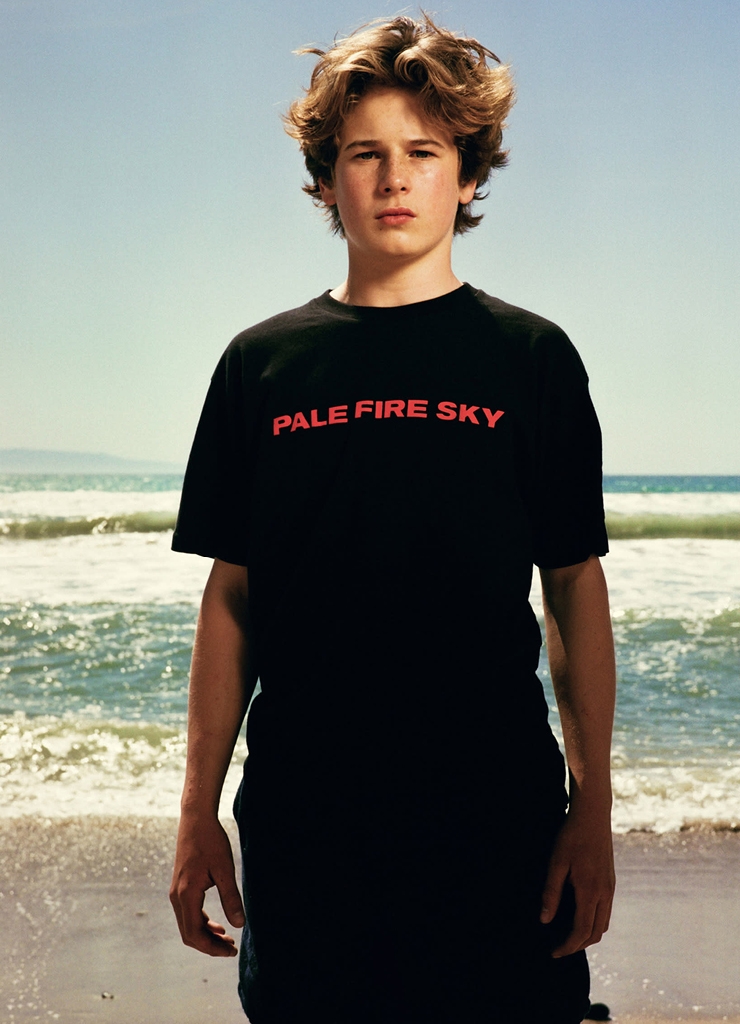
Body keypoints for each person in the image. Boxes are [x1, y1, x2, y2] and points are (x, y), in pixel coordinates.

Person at [169, 14, 616, 1024]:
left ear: (468, 177)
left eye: (424, 153)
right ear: (328, 181)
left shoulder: (532, 360)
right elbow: (229, 600)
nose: (395, 178)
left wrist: (592, 812)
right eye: (365, 155)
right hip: (303, 823)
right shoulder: (259, 367)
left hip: (495, 819)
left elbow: (575, 590)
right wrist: (196, 813)